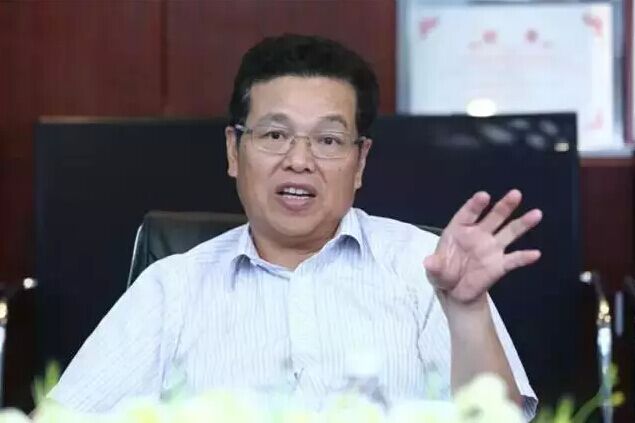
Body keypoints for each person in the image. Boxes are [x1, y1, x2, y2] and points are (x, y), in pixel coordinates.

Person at [49, 34, 542, 419]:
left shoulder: (424, 268)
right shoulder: (170, 288)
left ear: (360, 161)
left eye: (328, 140)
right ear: (233, 151)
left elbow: (494, 420)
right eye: (275, 134)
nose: (299, 161)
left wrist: (467, 311)